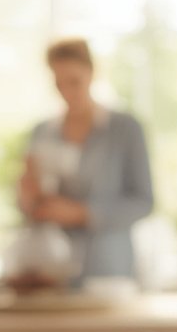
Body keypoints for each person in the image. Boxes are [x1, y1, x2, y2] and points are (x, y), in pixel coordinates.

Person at [16, 38, 154, 281]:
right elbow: (28, 205)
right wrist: (29, 197)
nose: (67, 93)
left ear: (91, 73)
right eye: (59, 84)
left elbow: (143, 201)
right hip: (51, 269)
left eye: (74, 82)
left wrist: (83, 214)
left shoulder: (124, 129)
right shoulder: (42, 132)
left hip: (108, 267)